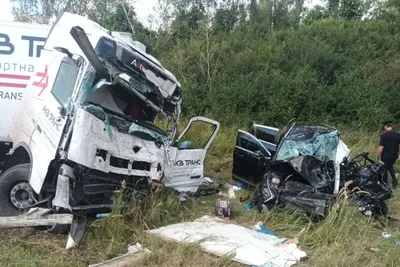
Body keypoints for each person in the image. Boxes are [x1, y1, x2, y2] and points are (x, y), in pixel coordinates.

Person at [377, 120, 400, 188]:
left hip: (386, 155)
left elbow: (381, 147)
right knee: (390, 166)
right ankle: (394, 180)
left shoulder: (384, 135)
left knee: (384, 168)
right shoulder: (397, 135)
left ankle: (385, 185)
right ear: (391, 126)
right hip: (394, 155)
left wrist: (378, 155)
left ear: (386, 127)